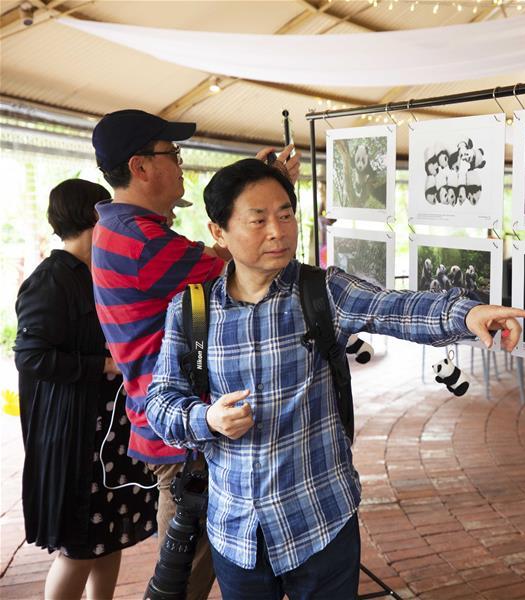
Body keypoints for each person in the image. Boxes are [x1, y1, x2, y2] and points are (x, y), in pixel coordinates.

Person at [145, 159, 525, 599]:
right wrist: (207, 419)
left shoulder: (321, 291)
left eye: (285, 215)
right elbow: (160, 402)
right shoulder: (193, 311)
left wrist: (468, 313)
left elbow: (395, 308)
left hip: (320, 519)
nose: (277, 230)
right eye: (258, 220)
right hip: (236, 533)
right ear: (219, 232)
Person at [90, 108, 300, 600]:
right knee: (186, 572)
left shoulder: (119, 227)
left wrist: (256, 187)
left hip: (165, 418)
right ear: (141, 167)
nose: (181, 164)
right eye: (173, 154)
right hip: (183, 429)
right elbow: (244, 260)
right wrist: (265, 190)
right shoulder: (145, 243)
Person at [14, 179, 158, 600]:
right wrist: (105, 364)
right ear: (95, 216)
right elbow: (31, 356)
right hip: (77, 436)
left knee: (108, 536)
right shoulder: (52, 278)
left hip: (106, 435)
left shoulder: (95, 271)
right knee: (78, 546)